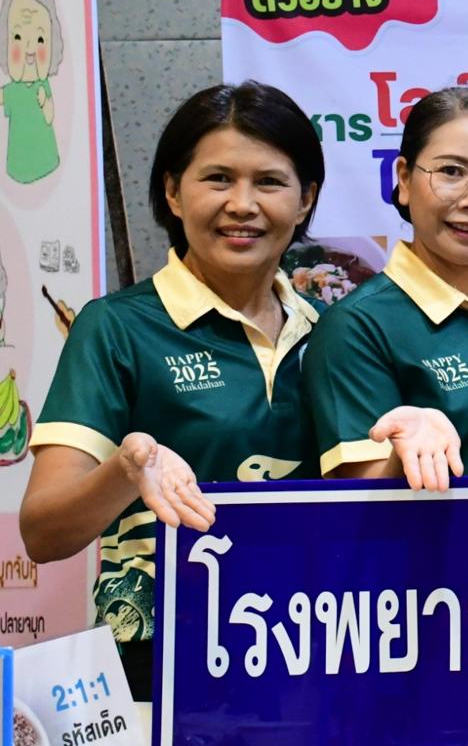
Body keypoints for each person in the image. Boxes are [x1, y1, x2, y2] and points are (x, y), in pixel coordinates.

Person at [19, 83, 325, 699]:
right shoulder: (117, 327)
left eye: (269, 182)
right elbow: (43, 533)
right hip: (161, 671)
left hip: (318, 653)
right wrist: (128, 468)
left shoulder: (338, 333)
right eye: (218, 179)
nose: (243, 204)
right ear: (172, 192)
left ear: (305, 200)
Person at [305, 87, 468, 489]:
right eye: (451, 172)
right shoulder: (356, 327)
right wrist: (402, 455)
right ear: (404, 179)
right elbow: (360, 500)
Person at [2, 0, 65, 184]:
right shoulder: (12, 90)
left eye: (40, 39)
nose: (29, 48)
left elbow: (49, 115)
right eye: (18, 36)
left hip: (46, 162)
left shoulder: (42, 86)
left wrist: (45, 103)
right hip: (17, 166)